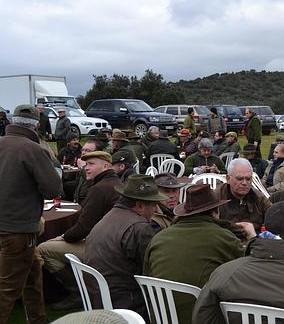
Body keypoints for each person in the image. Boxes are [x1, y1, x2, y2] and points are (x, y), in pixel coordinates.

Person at [145, 184, 254, 323]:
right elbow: (250, 270)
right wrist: (252, 237)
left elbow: (147, 274)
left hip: (161, 317)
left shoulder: (159, 238)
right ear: (215, 212)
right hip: (201, 317)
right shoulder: (222, 237)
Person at [0, 104, 62, 323]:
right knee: (7, 290)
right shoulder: (33, 149)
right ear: (36, 125)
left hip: (10, 227)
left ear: (12, 121)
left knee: (32, 275)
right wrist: (52, 163)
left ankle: (38, 319)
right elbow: (54, 189)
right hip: (18, 230)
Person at [37, 151, 121, 310]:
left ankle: (78, 293)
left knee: (43, 249)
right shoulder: (115, 183)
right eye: (86, 164)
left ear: (105, 166)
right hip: (113, 244)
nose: (86, 168)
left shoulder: (99, 189)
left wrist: (63, 236)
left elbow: (82, 229)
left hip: (103, 249)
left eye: (91, 164)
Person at [85, 174, 166, 318]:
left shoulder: (110, 216)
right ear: (140, 206)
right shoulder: (139, 227)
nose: (156, 210)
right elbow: (154, 270)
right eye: (154, 205)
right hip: (126, 302)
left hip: (99, 296)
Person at [216, 158, 272, 232]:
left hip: (253, 240)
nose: (244, 183)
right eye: (239, 179)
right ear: (228, 178)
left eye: (248, 179)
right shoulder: (216, 198)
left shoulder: (259, 197)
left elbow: (274, 217)